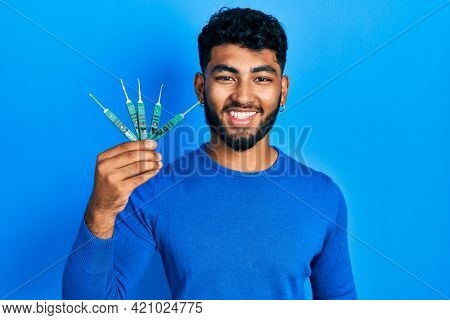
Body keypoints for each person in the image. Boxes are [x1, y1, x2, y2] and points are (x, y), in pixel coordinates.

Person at [62, 7, 357, 300]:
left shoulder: (323, 197)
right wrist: (100, 211)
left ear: (283, 91)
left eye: (262, 79)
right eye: (226, 77)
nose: (243, 96)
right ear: (201, 89)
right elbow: (88, 309)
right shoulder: (153, 191)